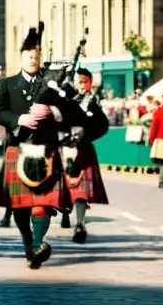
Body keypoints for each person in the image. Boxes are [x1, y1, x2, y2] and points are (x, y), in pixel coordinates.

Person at [0, 27, 83, 269]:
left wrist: (53, 111)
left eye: (36, 54)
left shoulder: (53, 81)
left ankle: (40, 244)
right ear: (20, 57)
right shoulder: (7, 84)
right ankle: (29, 243)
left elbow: (73, 110)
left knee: (42, 202)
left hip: (46, 150)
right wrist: (17, 120)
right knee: (21, 208)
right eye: (28, 53)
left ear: (40, 57)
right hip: (18, 148)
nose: (32, 57)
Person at [59, 68, 110, 242]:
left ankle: (80, 223)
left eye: (84, 82)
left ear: (90, 83)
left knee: (81, 191)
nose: (81, 86)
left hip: (83, 149)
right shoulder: (65, 98)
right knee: (62, 189)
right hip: (64, 148)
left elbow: (103, 126)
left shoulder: (93, 104)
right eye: (78, 82)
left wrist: (86, 136)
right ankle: (65, 212)